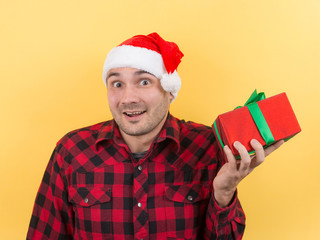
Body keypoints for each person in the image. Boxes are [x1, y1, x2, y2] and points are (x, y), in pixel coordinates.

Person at [27, 32, 283, 240]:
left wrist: (224, 193)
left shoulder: (207, 147)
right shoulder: (72, 151)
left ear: (169, 91)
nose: (128, 98)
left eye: (144, 82)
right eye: (117, 84)